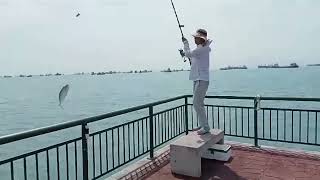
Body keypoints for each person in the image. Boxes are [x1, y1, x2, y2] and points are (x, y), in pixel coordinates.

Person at [182, 28, 212, 135]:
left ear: (201, 39)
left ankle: (205, 126)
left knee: (196, 103)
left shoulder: (201, 50)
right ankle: (203, 125)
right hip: (197, 79)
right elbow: (193, 58)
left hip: (201, 80)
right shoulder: (201, 50)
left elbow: (189, 54)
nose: (194, 39)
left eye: (196, 37)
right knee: (198, 103)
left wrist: (185, 43)